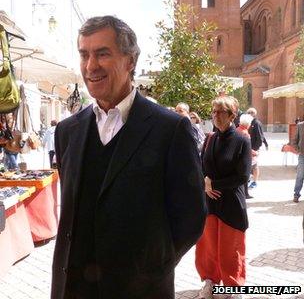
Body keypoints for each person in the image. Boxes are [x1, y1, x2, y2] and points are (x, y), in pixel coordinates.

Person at [51, 15, 206, 299]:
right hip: (74, 289)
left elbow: (191, 217)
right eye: (84, 54)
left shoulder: (170, 129)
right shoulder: (67, 131)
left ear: (130, 60)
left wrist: (150, 267)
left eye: (102, 54)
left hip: (139, 289)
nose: (90, 66)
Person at [195, 96, 251, 299]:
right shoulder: (210, 138)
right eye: (214, 111)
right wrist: (204, 182)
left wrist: (213, 184)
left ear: (232, 115)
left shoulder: (242, 139)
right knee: (208, 246)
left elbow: (243, 176)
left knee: (231, 248)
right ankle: (210, 282)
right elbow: (201, 166)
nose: (215, 115)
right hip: (210, 201)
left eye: (221, 112)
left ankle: (233, 288)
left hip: (231, 203)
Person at [246, 107, 265, 189]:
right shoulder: (250, 123)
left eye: (251, 113)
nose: (249, 114)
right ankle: (250, 179)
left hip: (254, 148)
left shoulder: (256, 123)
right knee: (250, 165)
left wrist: (255, 149)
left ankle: (255, 181)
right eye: (248, 113)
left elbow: (260, 137)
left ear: (254, 114)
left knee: (255, 165)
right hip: (249, 148)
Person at [291, 121, 304, 203]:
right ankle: (296, 194)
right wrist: (297, 149)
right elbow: (294, 140)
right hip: (302, 155)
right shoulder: (300, 125)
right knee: (300, 175)